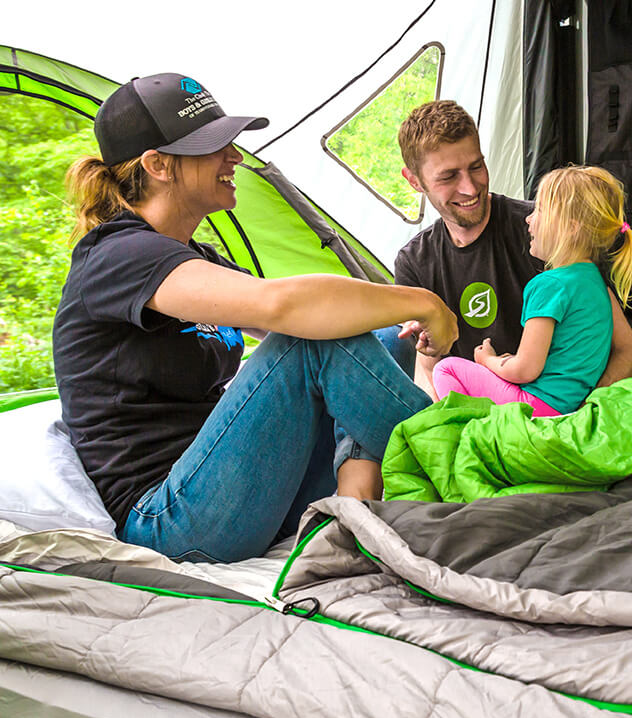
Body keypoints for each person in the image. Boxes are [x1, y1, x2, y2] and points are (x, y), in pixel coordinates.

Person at [53, 73, 457, 564]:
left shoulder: (194, 258)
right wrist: (426, 303)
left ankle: (356, 504)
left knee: (382, 334)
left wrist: (399, 318)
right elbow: (284, 309)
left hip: (245, 495)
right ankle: (465, 462)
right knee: (311, 339)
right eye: (213, 146)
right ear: (158, 165)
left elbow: (326, 317)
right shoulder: (115, 256)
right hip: (170, 519)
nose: (236, 158)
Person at [392, 100, 632, 399]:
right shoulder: (415, 261)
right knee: (381, 342)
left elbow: (629, 352)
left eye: (476, 167)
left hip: (551, 410)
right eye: (448, 177)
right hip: (483, 412)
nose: (471, 188)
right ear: (414, 180)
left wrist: (572, 420)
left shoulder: (548, 232)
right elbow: (428, 367)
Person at [428, 166, 632, 415]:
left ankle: (478, 431)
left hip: (537, 407)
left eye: (540, 210)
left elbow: (526, 370)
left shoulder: (549, 285)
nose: (529, 218)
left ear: (571, 228)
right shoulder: (596, 283)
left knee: (447, 369)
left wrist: (490, 360)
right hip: (571, 406)